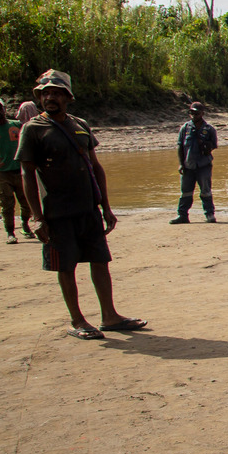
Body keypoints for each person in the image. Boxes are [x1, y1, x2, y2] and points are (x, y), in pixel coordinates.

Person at [15, 69, 146, 341]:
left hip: (88, 209)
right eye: (46, 93)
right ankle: (77, 319)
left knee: (100, 260)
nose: (50, 97)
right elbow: (27, 174)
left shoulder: (80, 124)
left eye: (57, 93)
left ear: (67, 97)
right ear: (39, 98)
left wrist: (106, 207)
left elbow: (95, 167)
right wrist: (36, 217)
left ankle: (109, 315)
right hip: (57, 213)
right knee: (66, 266)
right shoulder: (32, 129)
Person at [0, 97, 34, 243]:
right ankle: (10, 233)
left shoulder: (17, 125)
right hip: (2, 173)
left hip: (20, 171)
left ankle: (25, 224)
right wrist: (0, 159)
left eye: (0, 108)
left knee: (26, 202)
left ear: (5, 109)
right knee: (6, 205)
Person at [171, 101, 218, 224]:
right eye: (191, 112)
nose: (193, 115)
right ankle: (182, 215)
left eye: (196, 113)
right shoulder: (185, 128)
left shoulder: (209, 129)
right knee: (185, 192)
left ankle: (209, 214)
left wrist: (208, 147)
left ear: (202, 113)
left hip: (204, 166)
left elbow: (214, 145)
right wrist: (181, 164)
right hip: (188, 166)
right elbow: (180, 147)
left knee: (205, 191)